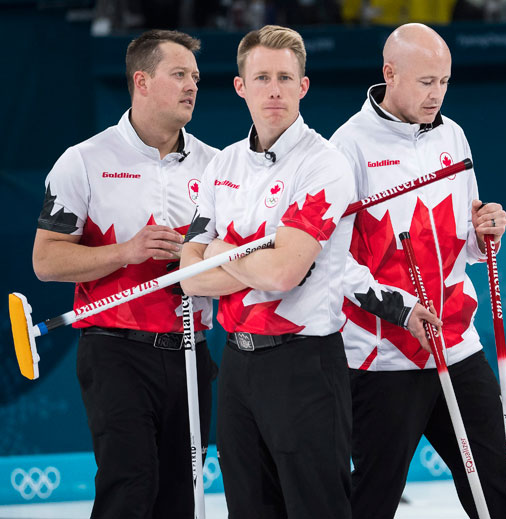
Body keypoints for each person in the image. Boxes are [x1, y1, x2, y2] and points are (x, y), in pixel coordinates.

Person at [330, 23, 506, 519]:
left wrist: (488, 233)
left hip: (456, 342)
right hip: (382, 358)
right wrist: (401, 313)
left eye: (444, 81)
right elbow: (334, 263)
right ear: (389, 73)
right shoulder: (346, 147)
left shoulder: (453, 134)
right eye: (426, 82)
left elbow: (465, 246)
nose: (436, 94)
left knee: (504, 490)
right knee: (370, 501)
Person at [31, 30, 217, 518]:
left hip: (192, 352)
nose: (191, 86)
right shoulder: (84, 161)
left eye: (195, 77)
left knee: (181, 495)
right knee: (130, 486)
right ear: (142, 81)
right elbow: (46, 261)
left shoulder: (217, 166)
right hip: (116, 350)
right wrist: (125, 251)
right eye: (179, 75)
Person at [179, 25, 355, 519]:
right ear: (241, 86)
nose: (273, 89)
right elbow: (188, 277)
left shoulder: (324, 164)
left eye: (284, 77)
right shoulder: (220, 166)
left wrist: (219, 250)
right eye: (261, 78)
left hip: (304, 365)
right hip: (237, 363)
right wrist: (247, 259)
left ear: (303, 86)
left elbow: (282, 273)